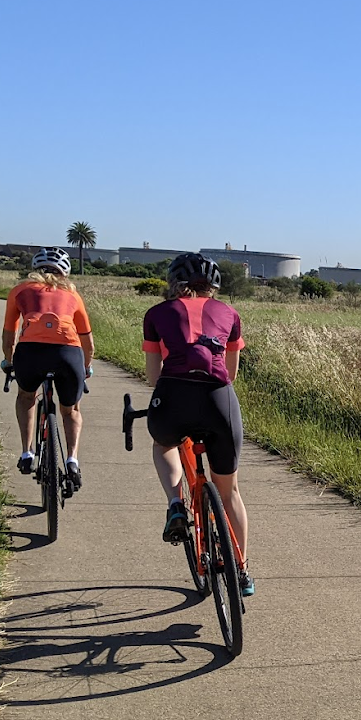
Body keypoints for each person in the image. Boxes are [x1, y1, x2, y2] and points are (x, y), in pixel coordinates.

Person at [141, 252, 252, 596]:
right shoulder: (230, 314)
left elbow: (151, 376)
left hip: (172, 398)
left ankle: (176, 503)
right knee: (229, 490)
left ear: (174, 283)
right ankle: (243, 571)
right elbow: (230, 375)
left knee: (164, 445)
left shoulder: (156, 314)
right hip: (218, 402)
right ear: (214, 287)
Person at [0, 246, 93, 488]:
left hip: (30, 353)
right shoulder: (73, 296)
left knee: (26, 396)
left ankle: (26, 453)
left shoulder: (19, 291)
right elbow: (87, 342)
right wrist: (86, 367)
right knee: (71, 409)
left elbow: (9, 334)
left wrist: (9, 361)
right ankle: (72, 459)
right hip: (68, 354)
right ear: (65, 273)